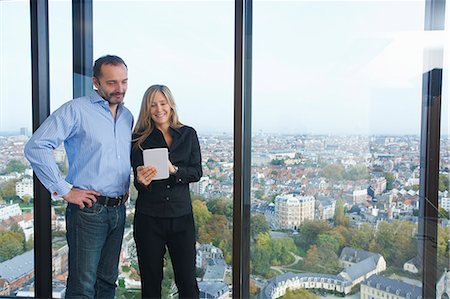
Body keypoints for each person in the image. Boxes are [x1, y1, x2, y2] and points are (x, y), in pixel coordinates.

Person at [24, 55, 133, 298]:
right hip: (88, 211)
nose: (120, 89)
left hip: (118, 209)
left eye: (124, 82)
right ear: (96, 82)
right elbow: (36, 146)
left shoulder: (127, 117)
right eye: (112, 83)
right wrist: (63, 189)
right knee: (82, 286)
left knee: (107, 282)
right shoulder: (76, 110)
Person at [131, 84, 202, 299]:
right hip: (149, 219)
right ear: (147, 109)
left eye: (162, 103)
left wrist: (175, 170)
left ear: (170, 105)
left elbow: (197, 172)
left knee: (187, 282)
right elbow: (138, 181)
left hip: (181, 218)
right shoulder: (138, 139)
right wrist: (141, 180)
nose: (158, 109)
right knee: (151, 283)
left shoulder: (188, 134)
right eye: (153, 105)